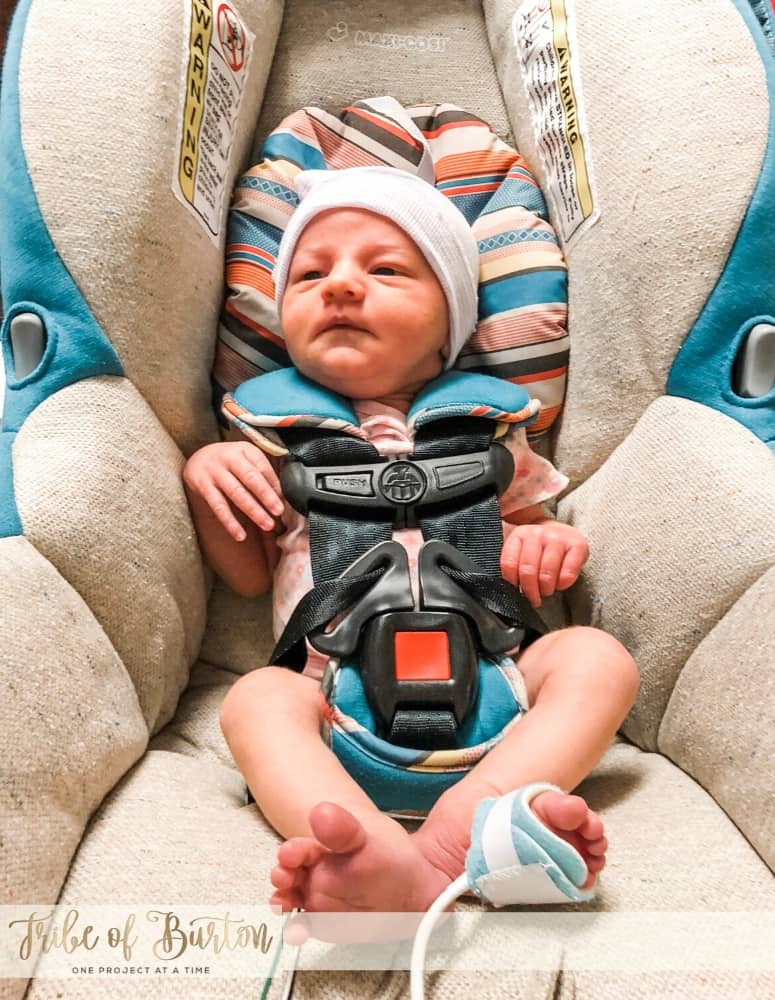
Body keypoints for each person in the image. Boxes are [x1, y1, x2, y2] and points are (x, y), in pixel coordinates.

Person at [183, 166, 639, 921]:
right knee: (257, 699)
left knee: (596, 657)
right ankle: (366, 850)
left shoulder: (492, 435)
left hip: (500, 687)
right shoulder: (268, 444)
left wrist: (546, 547)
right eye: (310, 273)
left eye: (384, 268)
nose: (340, 285)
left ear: (449, 324)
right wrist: (208, 476)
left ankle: (476, 812)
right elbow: (243, 577)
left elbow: (526, 531)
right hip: (332, 706)